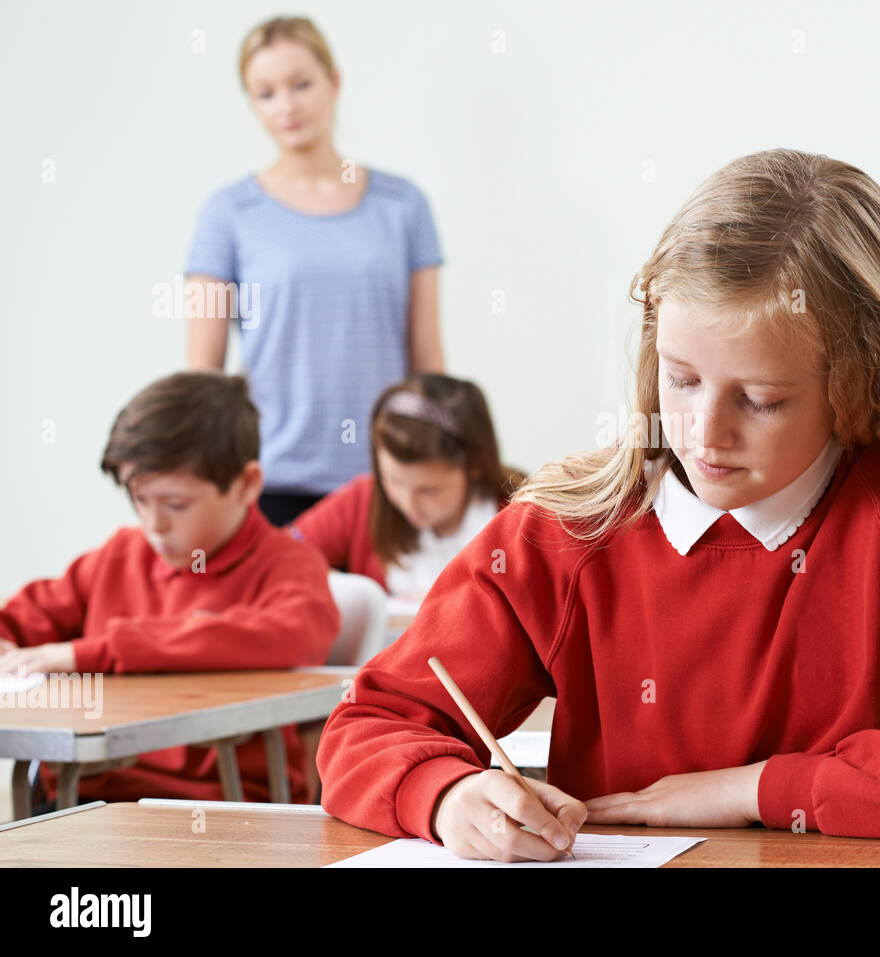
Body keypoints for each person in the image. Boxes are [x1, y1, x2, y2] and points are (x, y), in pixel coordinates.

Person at [316, 149, 880, 862]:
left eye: (761, 399)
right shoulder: (567, 531)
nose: (703, 431)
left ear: (857, 381)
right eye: (681, 378)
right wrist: (445, 794)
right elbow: (368, 728)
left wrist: (750, 789)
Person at [0, 372, 340, 805]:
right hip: (86, 800)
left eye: (176, 505)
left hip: (220, 810)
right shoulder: (119, 556)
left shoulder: (290, 565)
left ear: (247, 484)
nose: (154, 525)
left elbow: (288, 632)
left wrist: (88, 653)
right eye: (139, 499)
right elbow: (23, 617)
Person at [185, 16, 445, 526]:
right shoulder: (228, 213)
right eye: (266, 93)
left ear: (334, 81)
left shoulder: (403, 205)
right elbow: (203, 376)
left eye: (301, 84)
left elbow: (427, 359)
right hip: (272, 480)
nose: (287, 106)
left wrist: (437, 466)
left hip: (388, 485)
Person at [291, 374, 524, 598]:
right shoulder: (363, 499)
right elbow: (281, 556)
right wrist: (346, 589)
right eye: (393, 481)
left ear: (475, 466)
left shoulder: (520, 517)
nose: (408, 503)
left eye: (429, 490)